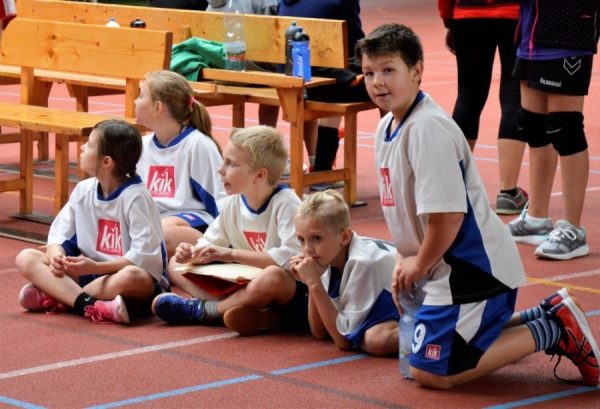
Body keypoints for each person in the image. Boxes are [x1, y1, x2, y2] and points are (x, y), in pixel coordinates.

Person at [356, 23, 599, 388]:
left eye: (388, 70)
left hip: (473, 270)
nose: (377, 82)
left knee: (431, 372)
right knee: (420, 358)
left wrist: (419, 264)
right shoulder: (387, 126)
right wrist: (404, 261)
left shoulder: (427, 129)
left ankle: (552, 329)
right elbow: (405, 215)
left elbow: (448, 217)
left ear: (417, 70)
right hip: (445, 268)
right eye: (369, 73)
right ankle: (545, 314)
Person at [152, 125, 307, 334]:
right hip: (246, 284)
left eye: (231, 163)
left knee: (273, 276)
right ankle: (241, 310)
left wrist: (231, 254)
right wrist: (192, 254)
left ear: (259, 175)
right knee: (175, 263)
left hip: (288, 291)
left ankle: (205, 310)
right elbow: (210, 243)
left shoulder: (286, 203)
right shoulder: (233, 203)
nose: (221, 169)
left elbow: (290, 259)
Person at [14, 120, 169, 324]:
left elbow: (143, 259)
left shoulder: (137, 198)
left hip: (122, 278)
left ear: (106, 162)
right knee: (26, 257)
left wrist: (95, 266)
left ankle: (63, 296)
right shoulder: (84, 190)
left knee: (134, 276)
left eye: (90, 144)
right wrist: (56, 258)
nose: (82, 147)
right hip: (89, 274)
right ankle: (90, 304)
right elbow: (59, 236)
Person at [507, 1, 599, 260]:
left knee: (565, 129)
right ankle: (536, 218)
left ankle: (573, 230)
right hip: (531, 33)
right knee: (532, 125)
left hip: (568, 29)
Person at [437, 0, 528, 215]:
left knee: (468, 96)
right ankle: (508, 192)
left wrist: (449, 19)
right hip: (515, 15)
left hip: (468, 14)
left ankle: (453, 186)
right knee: (514, 96)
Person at [289, 190, 400, 356]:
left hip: (423, 302)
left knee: (376, 340)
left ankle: (439, 335)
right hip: (393, 310)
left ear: (345, 237)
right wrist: (312, 281)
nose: (307, 249)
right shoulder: (327, 257)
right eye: (301, 240)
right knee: (369, 337)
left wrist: (314, 282)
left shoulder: (363, 263)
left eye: (316, 238)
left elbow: (343, 341)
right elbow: (319, 331)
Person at [278, 0, 371, 190]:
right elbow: (356, 43)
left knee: (341, 81)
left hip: (294, 76)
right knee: (385, 85)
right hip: (322, 81)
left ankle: (322, 168)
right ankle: (393, 166)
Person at [135, 70, 227, 257]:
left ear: (157, 107)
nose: (135, 101)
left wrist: (227, 245)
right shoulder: (142, 145)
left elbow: (221, 200)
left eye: (141, 95)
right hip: (153, 221)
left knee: (162, 232)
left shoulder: (197, 145)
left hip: (192, 221)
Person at [207, 0, 280, 128]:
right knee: (281, 70)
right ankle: (267, 134)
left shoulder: (211, 4)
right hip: (251, 68)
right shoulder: (263, 2)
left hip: (216, 66)